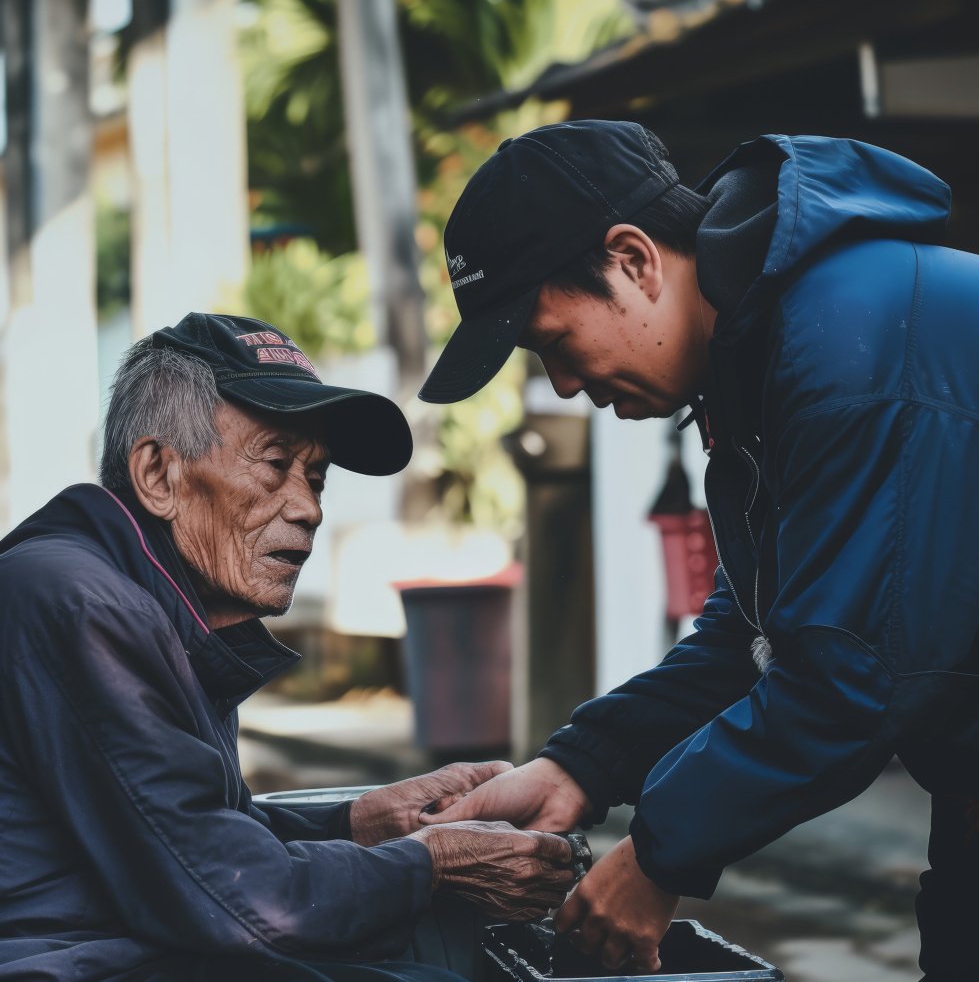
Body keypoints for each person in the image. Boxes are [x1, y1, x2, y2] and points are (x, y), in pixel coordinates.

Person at [416, 119, 979, 978]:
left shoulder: (854, 344)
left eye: (551, 344)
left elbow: (852, 675)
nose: (565, 386)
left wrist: (656, 857)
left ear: (632, 260)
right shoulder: (762, 362)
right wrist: (583, 764)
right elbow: (755, 637)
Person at [0, 312, 574, 982]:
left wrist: (364, 821)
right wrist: (435, 859)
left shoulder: (166, 609)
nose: (308, 508)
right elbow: (238, 899)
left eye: (317, 477)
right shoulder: (83, 604)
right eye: (275, 464)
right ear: (159, 474)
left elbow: (200, 838)